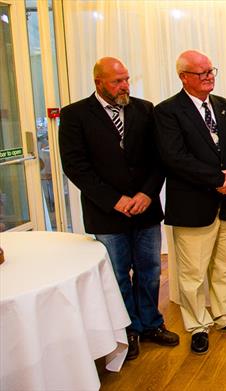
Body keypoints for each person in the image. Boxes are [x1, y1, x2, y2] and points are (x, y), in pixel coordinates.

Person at [59, 57, 179, 361]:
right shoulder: (75, 115)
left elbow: (158, 158)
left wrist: (147, 193)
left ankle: (151, 323)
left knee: (150, 270)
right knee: (117, 275)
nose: (125, 85)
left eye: (126, 79)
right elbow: (76, 166)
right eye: (117, 81)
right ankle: (127, 330)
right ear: (99, 82)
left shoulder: (144, 109)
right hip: (107, 213)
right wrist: (114, 199)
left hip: (146, 208)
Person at [155, 50, 226, 355]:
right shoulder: (168, 111)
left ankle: (225, 315)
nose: (209, 76)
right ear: (184, 77)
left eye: (212, 70)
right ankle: (197, 325)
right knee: (193, 273)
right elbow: (174, 158)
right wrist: (218, 179)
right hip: (193, 205)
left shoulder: (225, 107)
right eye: (202, 73)